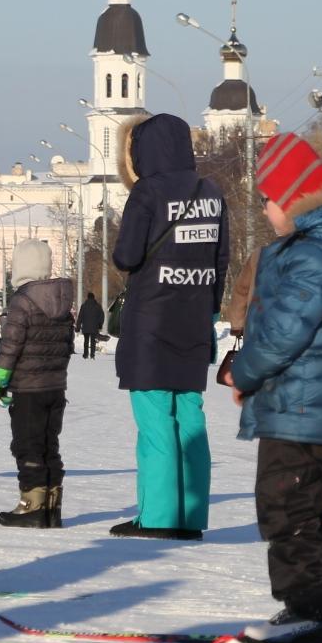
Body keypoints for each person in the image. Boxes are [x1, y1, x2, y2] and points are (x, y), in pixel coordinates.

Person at [224, 135, 322, 643]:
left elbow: (285, 332)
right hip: (305, 403)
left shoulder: (313, 255)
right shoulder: (321, 249)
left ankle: (309, 610)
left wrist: (243, 372)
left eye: (269, 200)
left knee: (286, 508)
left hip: (305, 406)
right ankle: (321, 608)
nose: (266, 211)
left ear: (293, 200)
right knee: (299, 508)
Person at [111, 114, 229, 540]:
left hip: (152, 322)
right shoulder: (211, 192)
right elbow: (220, 260)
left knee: (156, 419)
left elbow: (126, 256)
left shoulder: (147, 191)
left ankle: (159, 517)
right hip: (195, 318)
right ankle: (190, 516)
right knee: (191, 417)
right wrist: (208, 308)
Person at [0, 238, 73, 528]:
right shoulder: (62, 301)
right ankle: (52, 505)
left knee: (27, 445)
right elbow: (65, 346)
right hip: (55, 388)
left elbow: (10, 346)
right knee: (50, 445)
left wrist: (0, 378)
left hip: (28, 389)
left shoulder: (22, 301)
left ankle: (32, 506)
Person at [77, 290, 104, 359]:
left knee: (86, 341)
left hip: (85, 326)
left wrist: (78, 326)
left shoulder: (83, 306)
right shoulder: (98, 306)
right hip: (94, 327)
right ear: (93, 297)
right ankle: (92, 355)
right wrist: (100, 324)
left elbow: (80, 316)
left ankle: (85, 354)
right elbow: (102, 316)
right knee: (93, 341)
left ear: (87, 297)